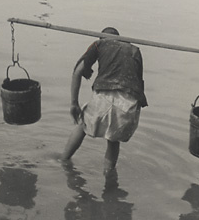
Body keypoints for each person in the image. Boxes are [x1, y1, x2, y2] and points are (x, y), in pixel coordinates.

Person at [62, 27, 147, 173]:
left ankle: (63, 161)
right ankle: (109, 179)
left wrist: (74, 103)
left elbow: (77, 72)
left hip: (105, 96)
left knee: (82, 124)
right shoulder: (134, 50)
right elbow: (139, 83)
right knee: (113, 140)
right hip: (129, 102)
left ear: (101, 37)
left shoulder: (100, 44)